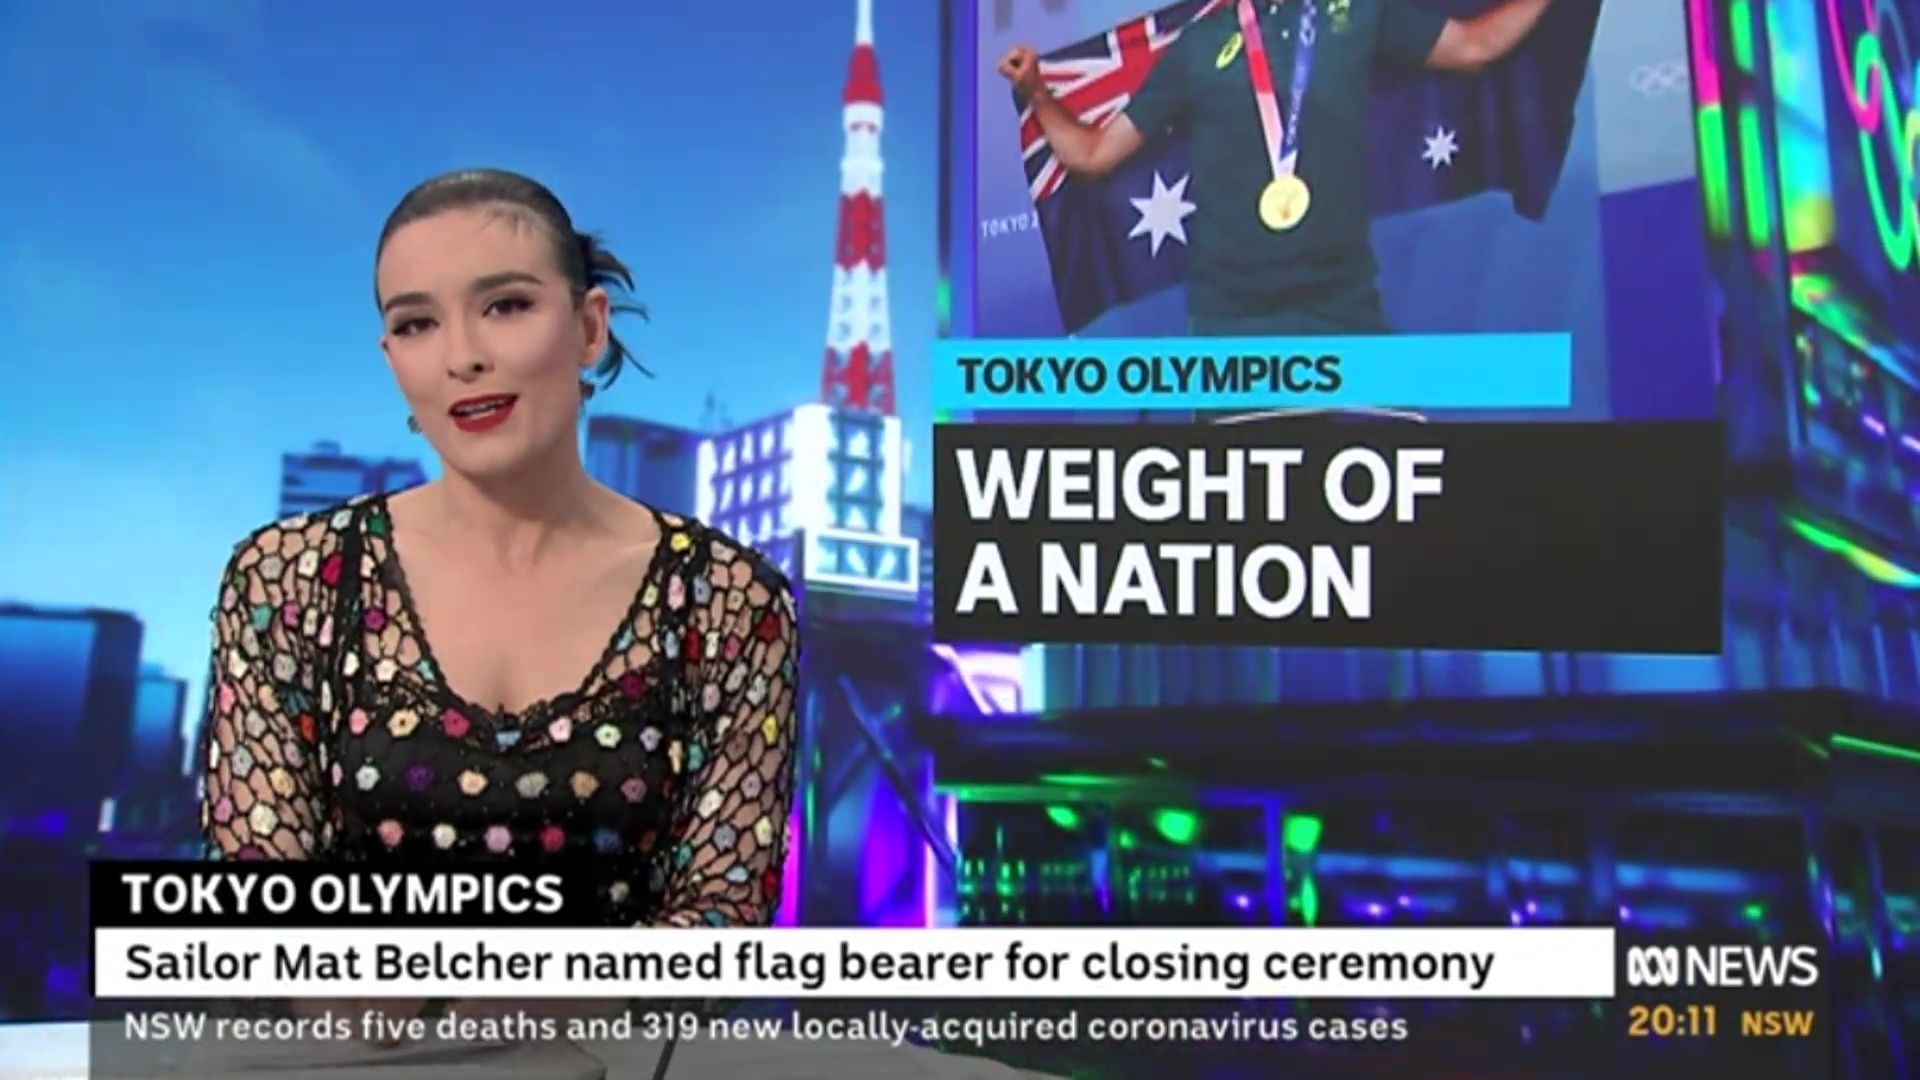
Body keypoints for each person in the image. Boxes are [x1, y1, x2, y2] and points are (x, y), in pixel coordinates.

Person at [197, 168, 799, 1023]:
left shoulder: (728, 599)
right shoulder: (287, 578)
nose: (462, 356)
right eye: (417, 323)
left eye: (506, 305)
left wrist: (543, 997)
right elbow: (258, 888)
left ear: (588, 327)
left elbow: (725, 908)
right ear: (391, 359)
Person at [999, 0, 1559, 335]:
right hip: (1232, 327)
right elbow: (1092, 155)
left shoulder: (1356, 13)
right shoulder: (1199, 45)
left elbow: (1475, 46)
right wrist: (1037, 91)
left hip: (1343, 310)